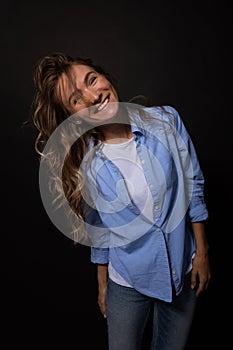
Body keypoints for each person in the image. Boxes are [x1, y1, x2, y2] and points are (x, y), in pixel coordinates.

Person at [31, 52, 211, 350]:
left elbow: (193, 183)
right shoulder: (86, 165)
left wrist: (202, 253)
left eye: (92, 80)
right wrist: (103, 284)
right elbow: (100, 227)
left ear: (106, 77)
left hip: (183, 269)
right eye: (76, 99)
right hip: (127, 280)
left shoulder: (167, 120)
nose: (93, 96)